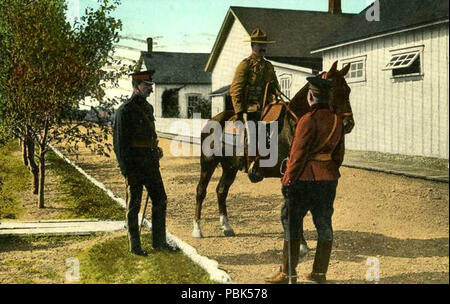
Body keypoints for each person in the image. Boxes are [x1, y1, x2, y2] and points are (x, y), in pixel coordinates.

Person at [265, 75, 345, 284]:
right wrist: (326, 169)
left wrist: (287, 180)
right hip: (328, 179)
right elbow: (339, 156)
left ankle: (287, 273)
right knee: (324, 223)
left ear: (311, 96)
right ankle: (319, 273)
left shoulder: (307, 120)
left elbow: (298, 155)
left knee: (290, 220)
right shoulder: (337, 121)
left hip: (304, 180)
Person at [113, 70, 178, 256]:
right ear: (136, 87)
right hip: (134, 166)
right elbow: (120, 144)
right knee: (134, 205)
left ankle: (159, 242)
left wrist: (155, 148)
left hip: (150, 164)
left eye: (151, 86)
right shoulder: (124, 111)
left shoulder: (148, 108)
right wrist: (126, 170)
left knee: (160, 200)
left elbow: (150, 134)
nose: (150, 89)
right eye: (147, 86)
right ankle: (135, 246)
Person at [229, 28, 281, 172]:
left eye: (264, 45)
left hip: (266, 107)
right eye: (259, 45)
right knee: (251, 133)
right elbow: (235, 89)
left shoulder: (269, 66)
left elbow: (274, 85)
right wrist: (239, 111)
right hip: (249, 107)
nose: (263, 48)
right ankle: (250, 164)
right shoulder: (245, 65)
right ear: (252, 46)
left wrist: (276, 91)